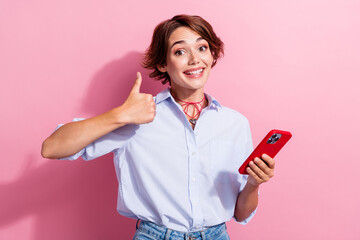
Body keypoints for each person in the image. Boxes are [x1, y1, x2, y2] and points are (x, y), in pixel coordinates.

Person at [41, 14, 275, 240]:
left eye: (202, 48)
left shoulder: (235, 124)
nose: (194, 59)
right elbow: (52, 148)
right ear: (163, 63)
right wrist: (120, 114)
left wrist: (254, 184)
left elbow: (241, 213)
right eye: (180, 51)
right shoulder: (138, 116)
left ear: (212, 55)